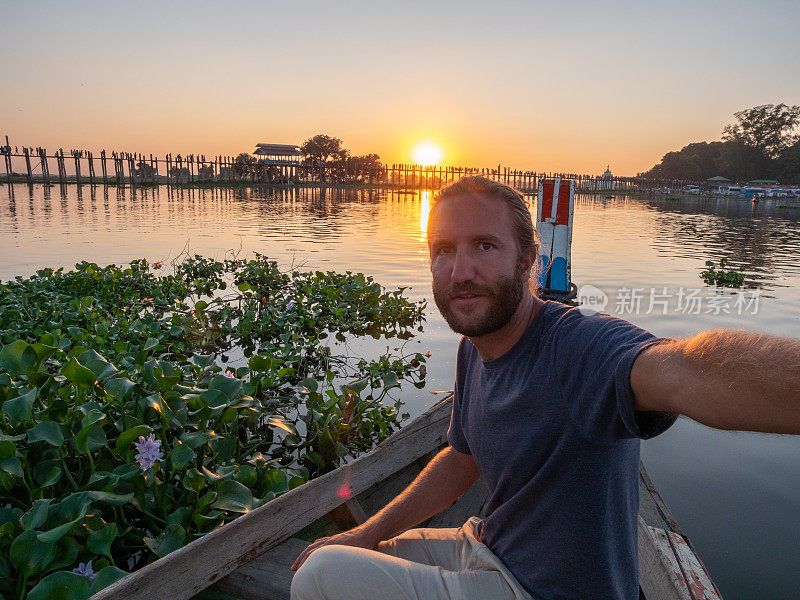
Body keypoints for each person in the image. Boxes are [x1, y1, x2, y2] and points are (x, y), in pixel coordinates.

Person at [290, 176, 800, 600]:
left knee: (319, 578)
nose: (460, 271)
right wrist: (364, 531)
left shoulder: (578, 347)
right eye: (443, 250)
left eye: (485, 246)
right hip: (492, 547)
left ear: (529, 259)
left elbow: (684, 370)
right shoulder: (477, 345)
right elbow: (461, 458)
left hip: (542, 591)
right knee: (353, 553)